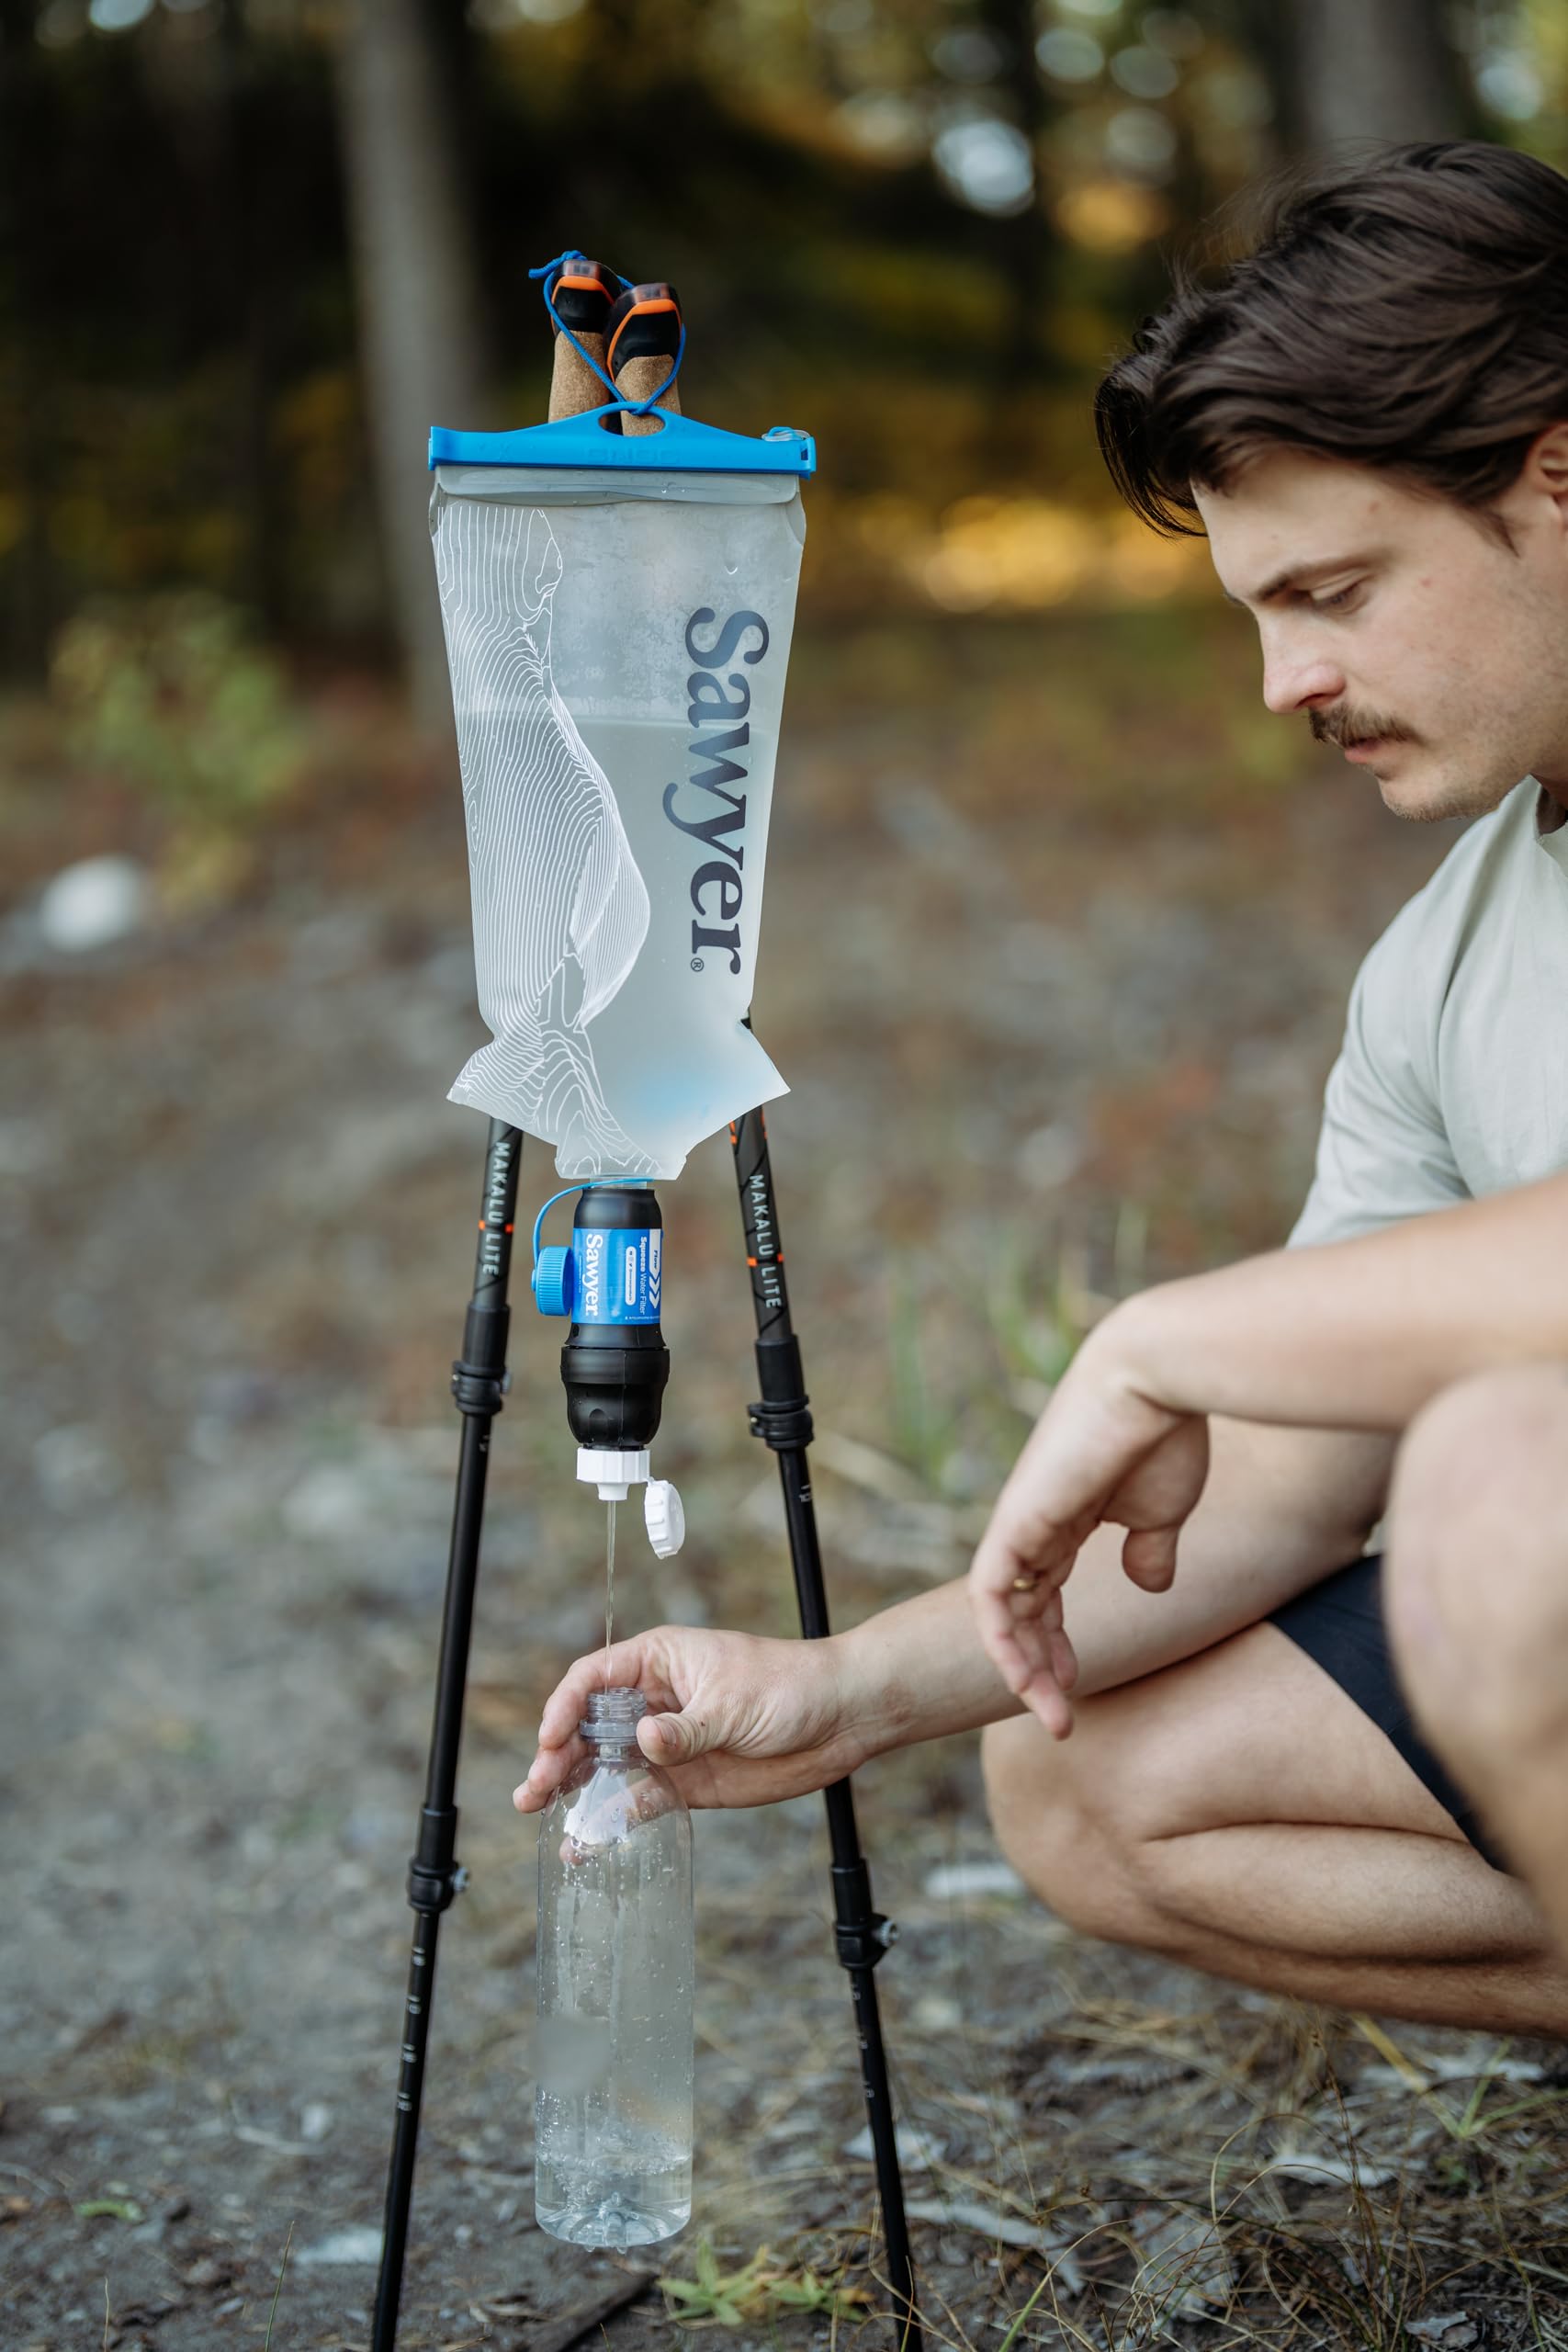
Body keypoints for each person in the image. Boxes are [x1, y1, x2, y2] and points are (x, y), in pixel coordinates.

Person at [518, 141, 1568, 2034]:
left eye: (1332, 590)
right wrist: (848, 1689)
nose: (1283, 681)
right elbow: (1292, 1464)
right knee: (1081, 1773)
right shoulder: (1444, 963)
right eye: (1254, 609)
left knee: (1506, 1497)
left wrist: (1164, 1337)